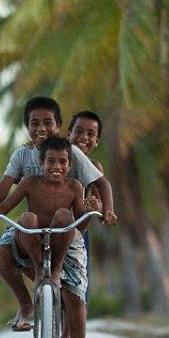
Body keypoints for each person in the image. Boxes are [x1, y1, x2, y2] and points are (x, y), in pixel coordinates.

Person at [0, 96, 117, 333]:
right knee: (3, 249)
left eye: (48, 122)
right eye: (34, 123)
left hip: (67, 227)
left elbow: (100, 184)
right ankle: (28, 302)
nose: (41, 128)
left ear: (58, 126)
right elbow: (4, 191)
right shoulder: (23, 157)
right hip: (32, 226)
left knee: (76, 290)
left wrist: (105, 209)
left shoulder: (71, 153)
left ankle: (65, 334)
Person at [0, 136, 100, 338]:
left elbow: (81, 224)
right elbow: (5, 205)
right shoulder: (30, 183)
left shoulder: (76, 186)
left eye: (63, 161)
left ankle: (54, 274)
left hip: (62, 237)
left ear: (69, 163)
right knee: (27, 217)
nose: (57, 166)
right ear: (40, 163)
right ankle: (35, 286)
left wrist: (90, 209)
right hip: (32, 238)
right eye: (50, 161)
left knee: (66, 217)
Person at [66, 110, 105, 301]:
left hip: (78, 231)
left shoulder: (94, 167)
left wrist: (96, 207)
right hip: (48, 226)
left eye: (91, 134)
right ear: (68, 135)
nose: (84, 137)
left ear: (97, 141)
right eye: (78, 131)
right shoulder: (53, 159)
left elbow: (99, 199)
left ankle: (70, 331)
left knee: (80, 288)